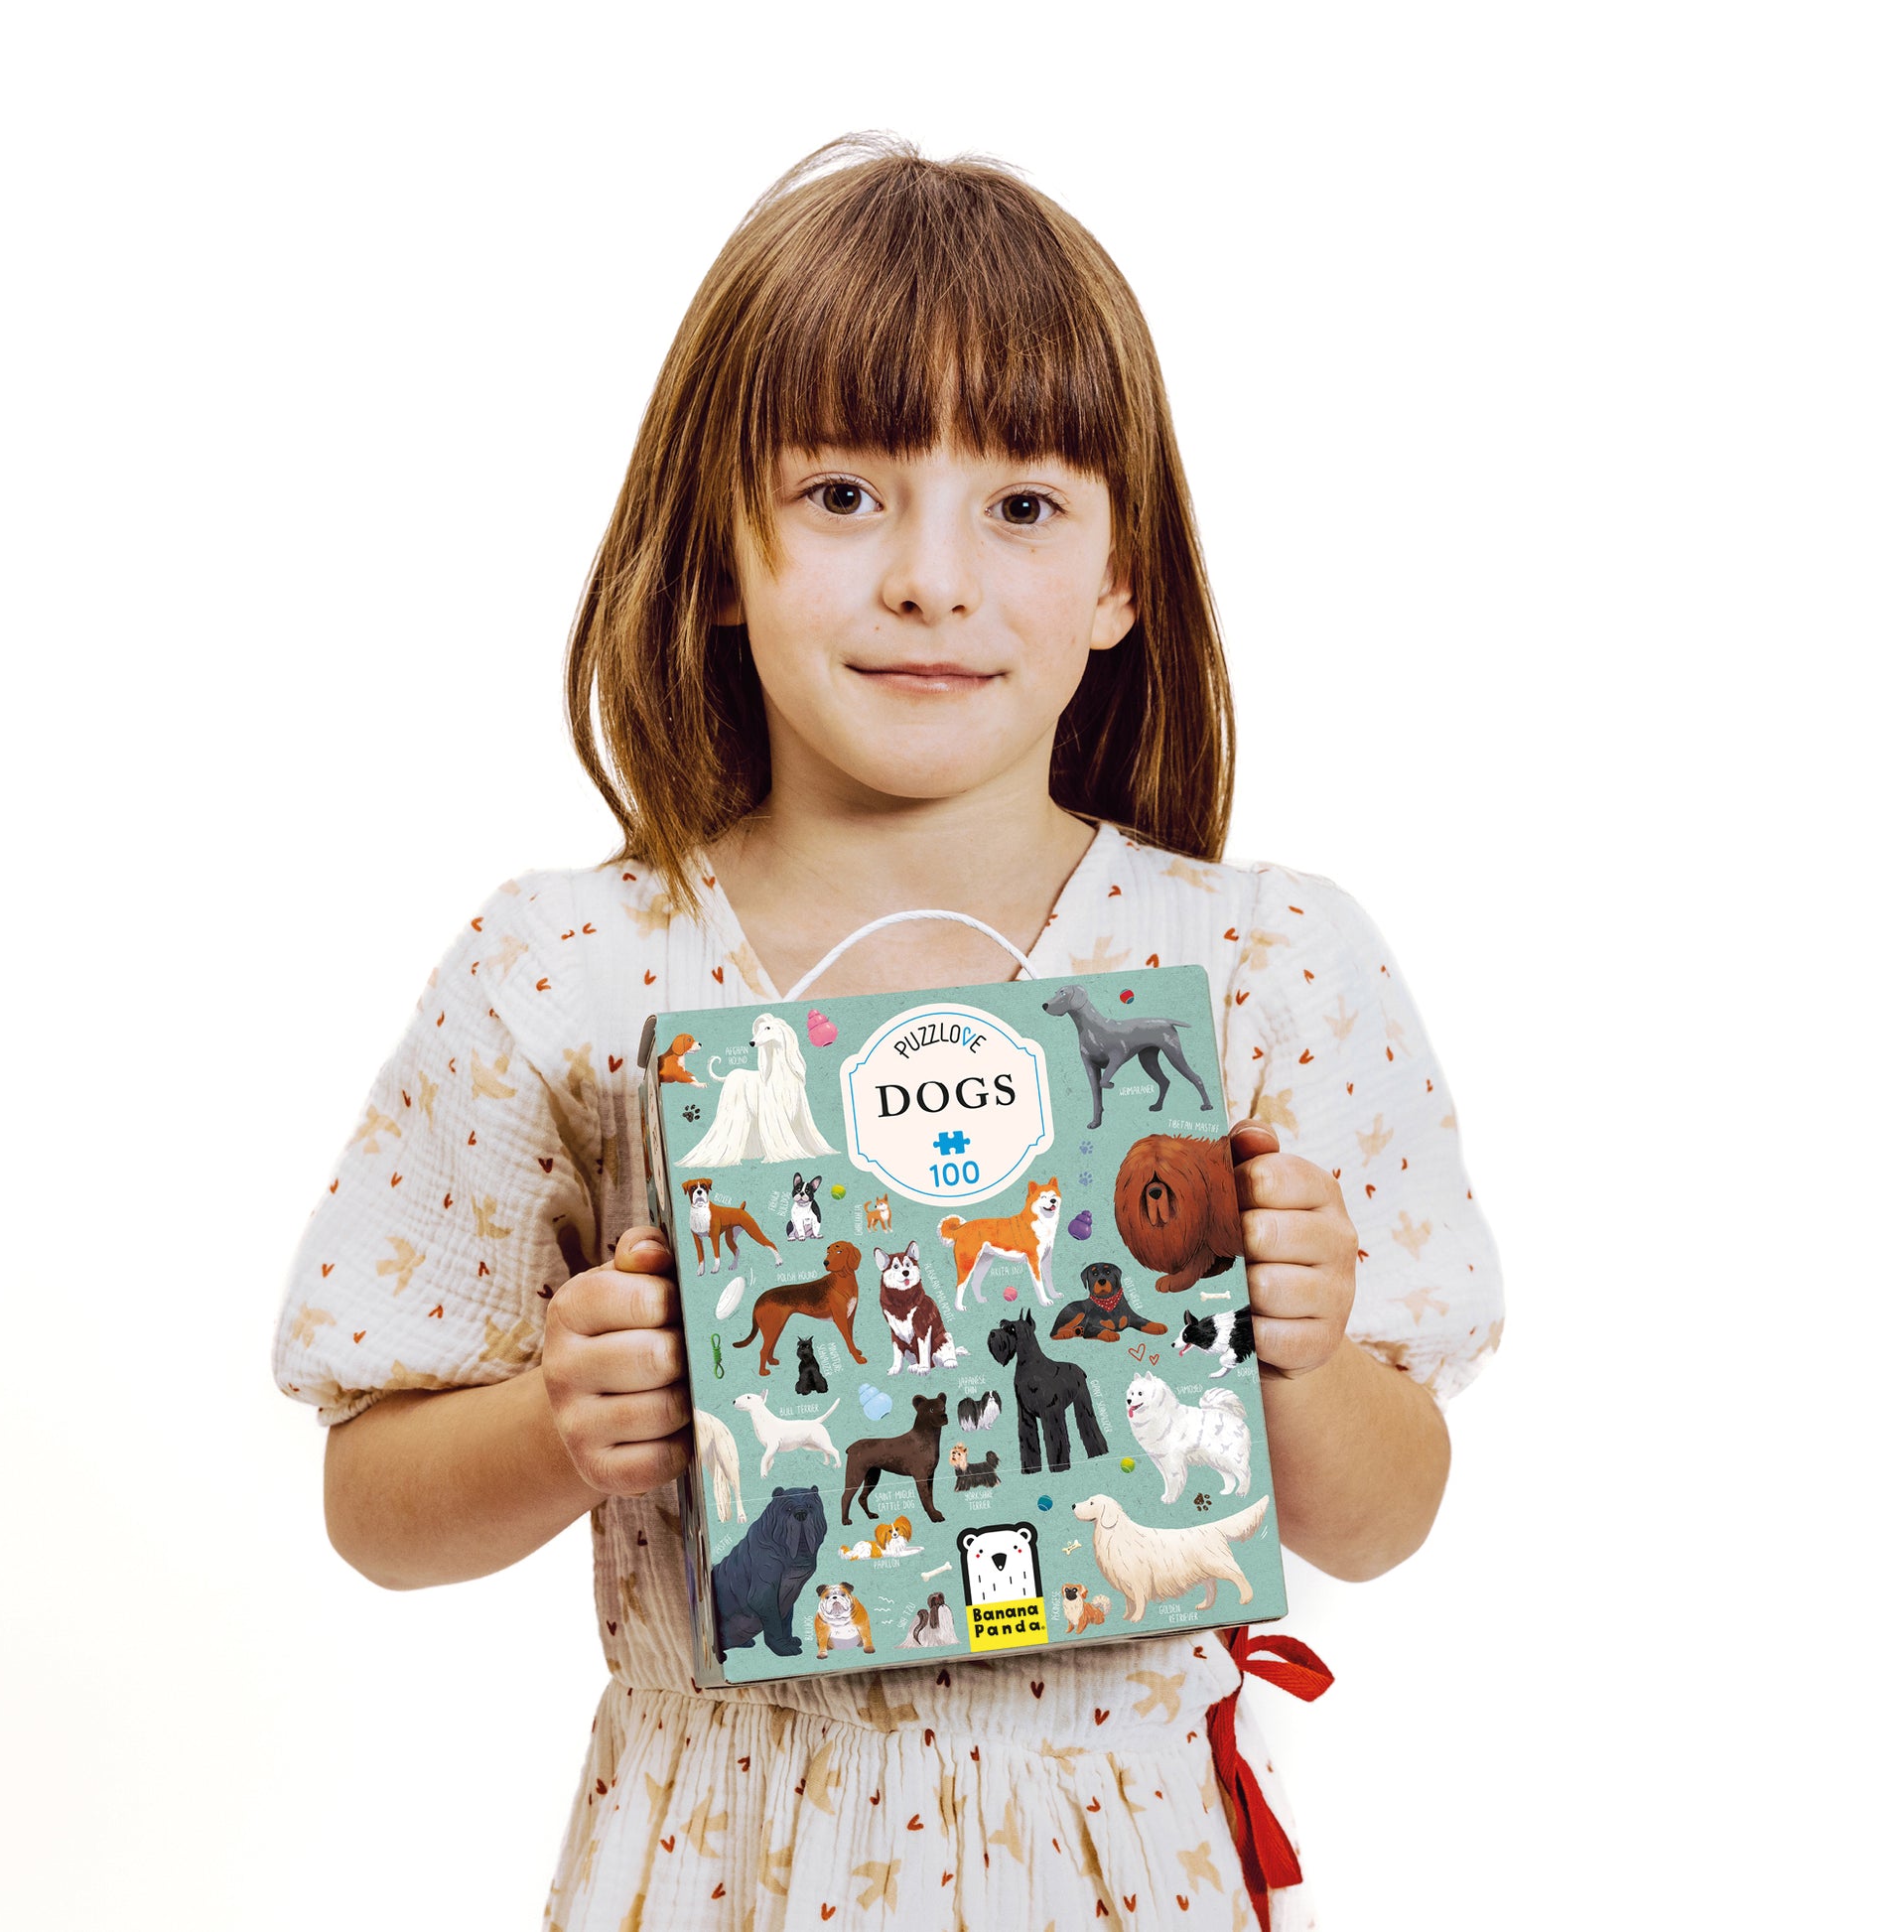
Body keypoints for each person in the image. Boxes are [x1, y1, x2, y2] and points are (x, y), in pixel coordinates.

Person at [271, 134, 1504, 1932]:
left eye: (1022, 506)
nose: (931, 577)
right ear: (718, 552)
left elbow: (1383, 1521)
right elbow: (372, 1507)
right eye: (844, 493)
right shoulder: (574, 974)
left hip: (1119, 1867)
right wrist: (557, 1422)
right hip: (723, 1862)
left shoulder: (1258, 963)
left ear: (1122, 576)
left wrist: (1301, 1352)